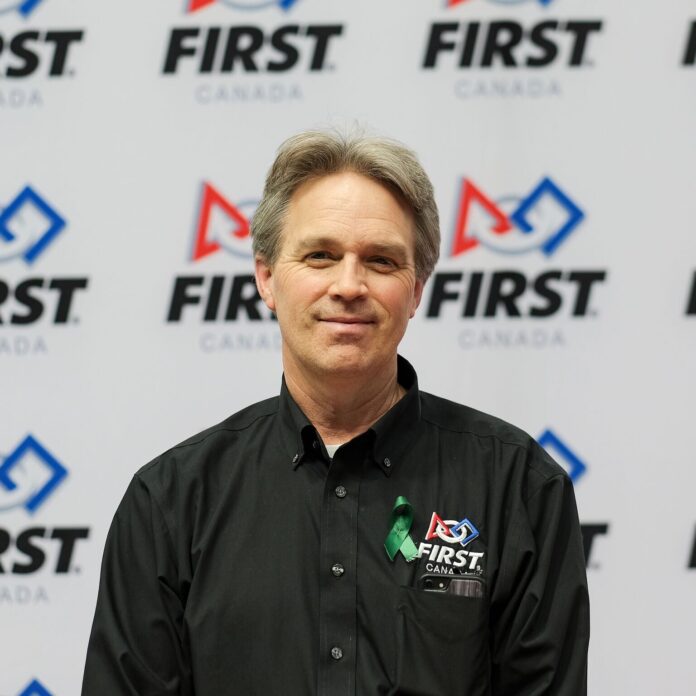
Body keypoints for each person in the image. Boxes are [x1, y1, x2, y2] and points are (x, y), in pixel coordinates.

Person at [82, 130, 589, 695]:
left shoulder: (517, 486)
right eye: (320, 255)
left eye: (381, 260)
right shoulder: (171, 503)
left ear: (417, 288)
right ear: (267, 277)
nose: (349, 286)